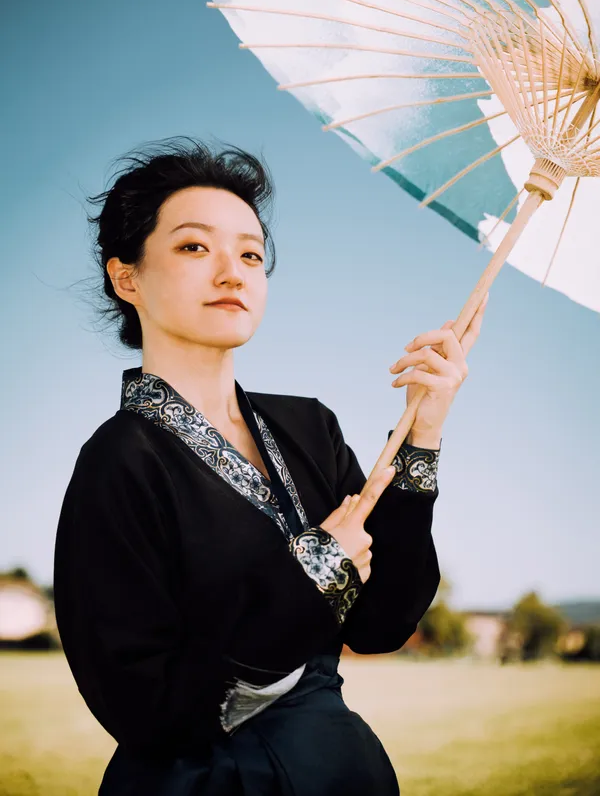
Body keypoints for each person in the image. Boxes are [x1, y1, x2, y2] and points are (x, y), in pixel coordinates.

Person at [53, 137, 487, 796]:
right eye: (194, 247)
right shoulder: (117, 462)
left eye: (251, 254)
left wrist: (422, 433)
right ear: (126, 277)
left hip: (343, 770)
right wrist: (317, 572)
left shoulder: (309, 427)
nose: (233, 273)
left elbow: (382, 623)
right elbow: (142, 708)